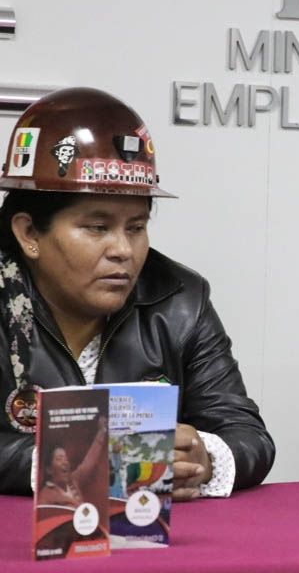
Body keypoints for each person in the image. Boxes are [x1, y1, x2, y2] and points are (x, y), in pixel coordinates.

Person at [0, 87, 274, 500]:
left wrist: (205, 458)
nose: (123, 251)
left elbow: (247, 433)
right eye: (96, 228)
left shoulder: (180, 299)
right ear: (29, 233)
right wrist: (86, 463)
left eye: (136, 227)